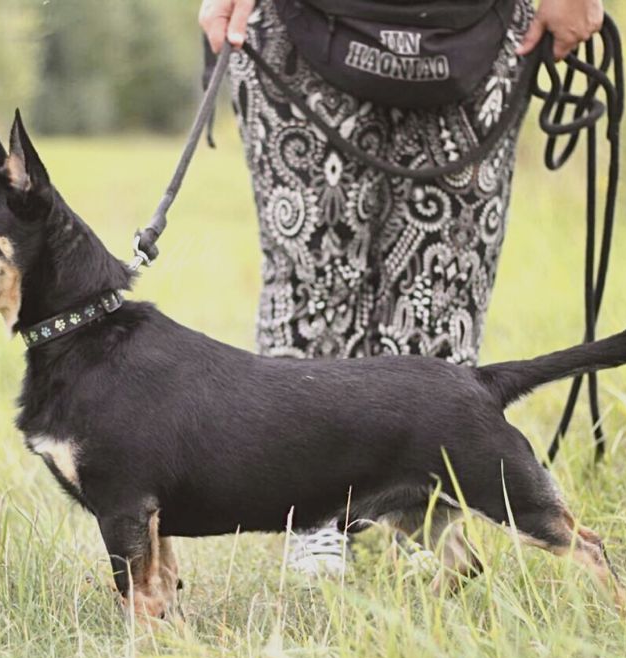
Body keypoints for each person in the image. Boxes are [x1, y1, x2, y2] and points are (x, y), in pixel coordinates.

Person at [198, 0, 604, 575]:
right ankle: (315, 518)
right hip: (300, 27)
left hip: (474, 34)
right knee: (312, 276)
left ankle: (422, 515)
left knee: (442, 283)